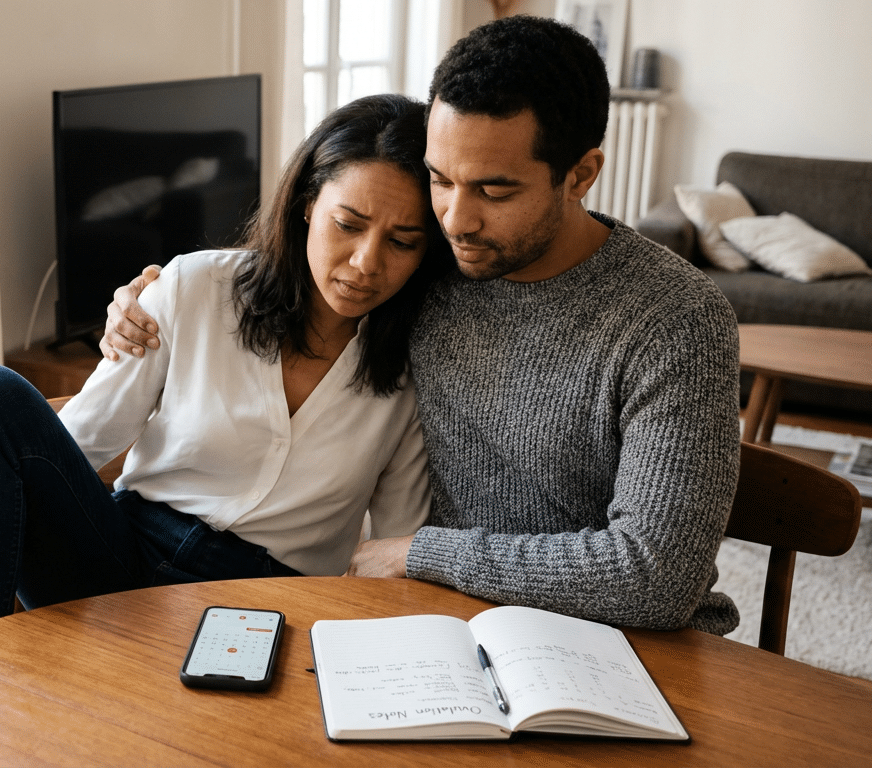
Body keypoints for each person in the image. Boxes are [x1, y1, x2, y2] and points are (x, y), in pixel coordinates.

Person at [100, 16, 743, 635]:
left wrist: (420, 554)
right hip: (455, 627)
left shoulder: (677, 319)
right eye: (440, 179)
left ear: (580, 175)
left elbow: (657, 575)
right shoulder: (425, 267)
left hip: (629, 641)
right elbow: (313, 256)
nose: (455, 219)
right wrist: (153, 297)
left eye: (493, 191)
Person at [0, 93, 454, 643]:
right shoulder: (196, 286)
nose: (366, 263)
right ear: (308, 203)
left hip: (269, 607)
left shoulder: (415, 373)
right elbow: (81, 439)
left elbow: (396, 544)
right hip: (117, 557)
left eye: (402, 242)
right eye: (348, 224)